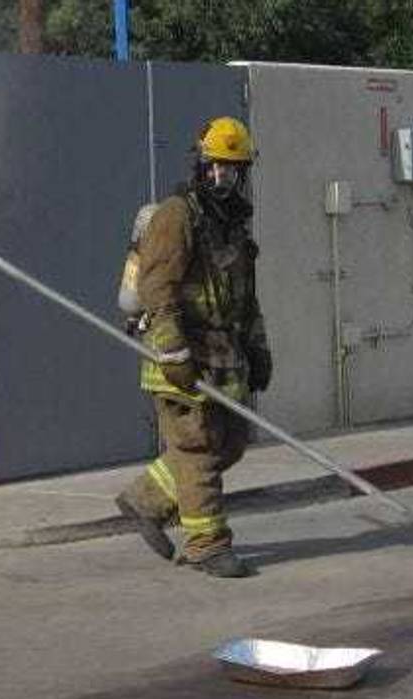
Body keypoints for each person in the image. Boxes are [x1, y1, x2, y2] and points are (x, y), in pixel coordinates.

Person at [114, 116, 273, 578]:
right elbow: (157, 286)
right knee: (199, 447)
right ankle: (206, 543)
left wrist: (259, 349)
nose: (223, 175)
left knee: (231, 442)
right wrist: (173, 353)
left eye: (233, 168)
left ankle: (145, 500)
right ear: (201, 164)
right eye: (216, 166)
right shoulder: (177, 215)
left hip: (225, 357)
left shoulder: (234, 225)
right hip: (180, 353)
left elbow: (246, 298)